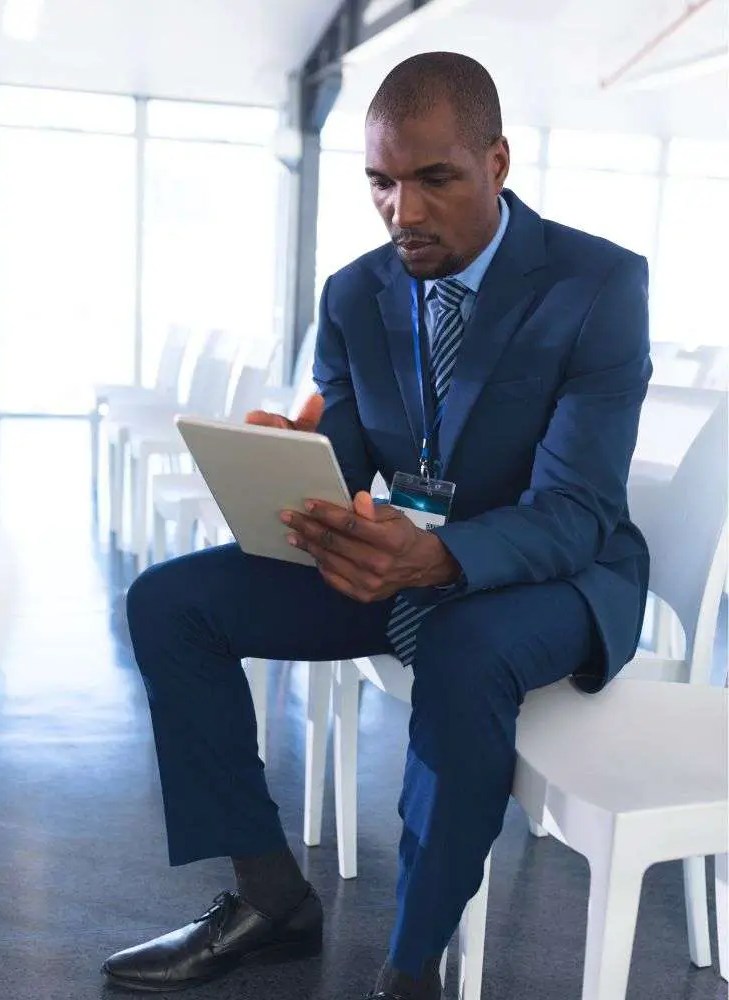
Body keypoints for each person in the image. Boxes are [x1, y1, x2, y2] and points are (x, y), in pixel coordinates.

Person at [101, 51, 651, 1000]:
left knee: (465, 652)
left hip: (559, 574)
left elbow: (577, 511)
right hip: (402, 553)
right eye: (381, 183)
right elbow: (350, 449)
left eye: (434, 178)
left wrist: (439, 556)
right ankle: (269, 899)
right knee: (169, 602)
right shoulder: (356, 292)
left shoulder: (597, 285)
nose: (405, 211)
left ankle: (410, 967)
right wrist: (295, 456)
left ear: (498, 162)